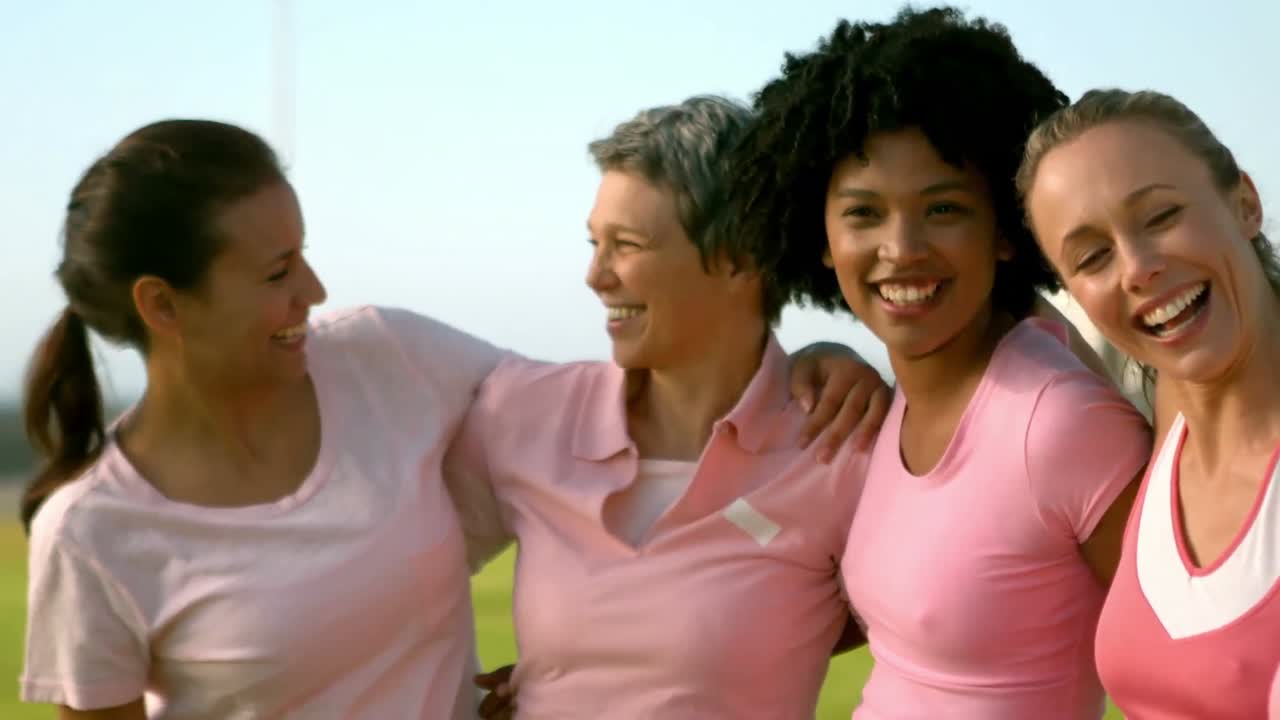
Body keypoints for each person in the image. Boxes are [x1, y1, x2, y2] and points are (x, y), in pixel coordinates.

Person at [19, 119, 884, 719]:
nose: (314, 292)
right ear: (162, 305)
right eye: (278, 270)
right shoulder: (90, 534)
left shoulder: (390, 359)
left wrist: (818, 357)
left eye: (623, 245)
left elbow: (899, 610)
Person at [728, 7, 1153, 718]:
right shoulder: (894, 403)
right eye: (864, 214)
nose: (902, 248)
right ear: (822, 238)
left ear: (1009, 231)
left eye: (944, 209)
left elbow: (1182, 661)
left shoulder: (1062, 424)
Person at [446, 95, 873, 720]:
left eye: (627, 245)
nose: (596, 275)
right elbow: (392, 570)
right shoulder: (523, 412)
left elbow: (925, 629)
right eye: (595, 242)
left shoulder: (842, 442)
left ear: (740, 256)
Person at [1019, 88, 1280, 720]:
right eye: (1092, 256)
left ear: (1244, 203)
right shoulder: (1166, 416)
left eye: (1161, 216)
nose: (1136, 268)